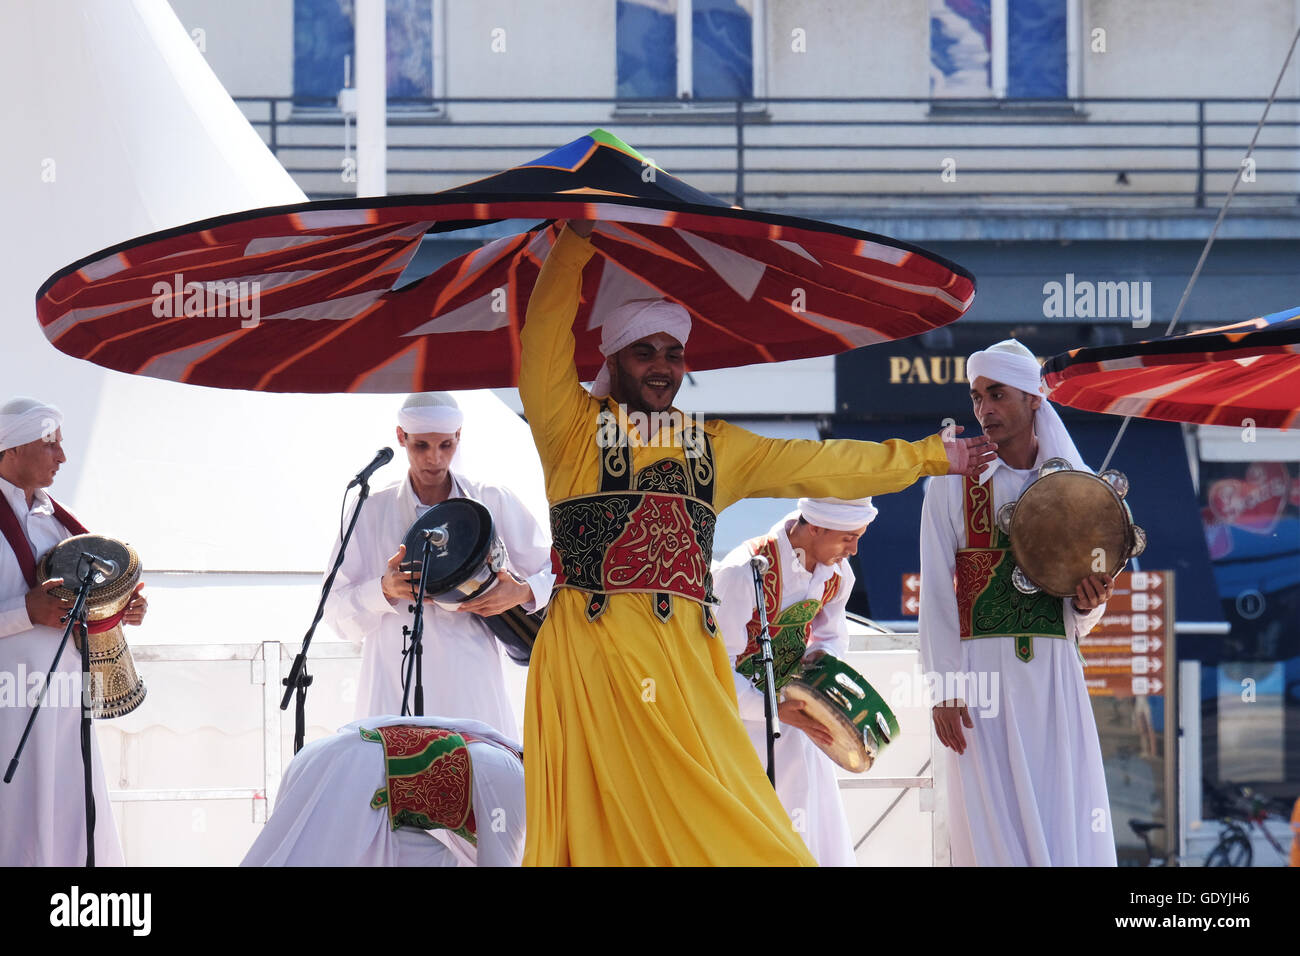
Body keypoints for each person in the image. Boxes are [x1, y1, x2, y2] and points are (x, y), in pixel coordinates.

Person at [516, 219, 997, 866]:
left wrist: (931, 456)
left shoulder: (714, 445)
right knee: (600, 820)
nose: (662, 367)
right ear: (613, 358)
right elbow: (542, 338)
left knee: (719, 813)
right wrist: (579, 236)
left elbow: (822, 463)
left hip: (686, 662)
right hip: (590, 653)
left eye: (674, 353)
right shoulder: (571, 429)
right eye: (644, 352)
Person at [918, 338, 1117, 866]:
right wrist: (943, 687)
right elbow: (937, 590)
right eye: (976, 396)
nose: (983, 409)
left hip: (1054, 679)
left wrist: (1089, 602)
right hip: (980, 685)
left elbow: (1081, 616)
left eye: (997, 394)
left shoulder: (1078, 490)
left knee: (1062, 811)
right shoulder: (950, 484)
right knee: (988, 822)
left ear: (1033, 399)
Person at [323, 392, 553, 736]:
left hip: (471, 687)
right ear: (401, 437)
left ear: (459, 436)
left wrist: (520, 593)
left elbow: (556, 571)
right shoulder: (369, 509)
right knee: (394, 784)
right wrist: (383, 590)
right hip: (390, 687)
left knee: (477, 781)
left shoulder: (491, 500)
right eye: (421, 446)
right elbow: (335, 612)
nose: (435, 458)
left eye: (446, 445)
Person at [0, 396, 147, 866]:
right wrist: (24, 611)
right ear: (12, 449)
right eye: (51, 444)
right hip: (7, 708)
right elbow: (34, 608)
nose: (62, 457)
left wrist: (119, 607)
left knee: (69, 812)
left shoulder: (56, 524)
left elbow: (81, 600)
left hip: (64, 703)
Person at [714, 496, 878, 866]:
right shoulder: (745, 570)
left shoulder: (838, 574)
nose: (853, 549)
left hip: (800, 726)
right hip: (743, 731)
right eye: (847, 537)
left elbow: (832, 637)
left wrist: (817, 683)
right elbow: (715, 665)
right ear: (815, 526)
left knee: (811, 831)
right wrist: (774, 710)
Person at [242, 714, 524, 867]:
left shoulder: (505, 762)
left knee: (438, 860)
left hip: (356, 773)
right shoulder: (514, 779)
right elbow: (499, 859)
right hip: (353, 774)